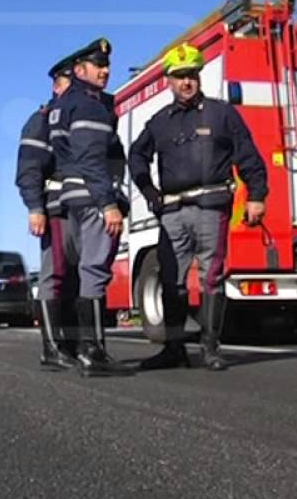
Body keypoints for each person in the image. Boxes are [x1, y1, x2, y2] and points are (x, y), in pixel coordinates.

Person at [129, 43, 268, 372]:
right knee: (172, 280)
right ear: (168, 81)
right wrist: (148, 191)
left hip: (211, 207)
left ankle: (209, 348)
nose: (186, 82)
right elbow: (136, 155)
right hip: (172, 212)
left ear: (199, 76)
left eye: (191, 75)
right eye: (179, 77)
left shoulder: (221, 113)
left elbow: (247, 155)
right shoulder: (159, 122)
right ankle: (173, 348)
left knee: (211, 277)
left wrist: (256, 195)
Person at [47, 37, 134, 377]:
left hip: (73, 197)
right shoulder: (89, 106)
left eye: (107, 66)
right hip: (92, 196)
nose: (106, 71)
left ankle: (87, 347)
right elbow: (90, 158)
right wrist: (108, 203)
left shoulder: (65, 104)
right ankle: (92, 351)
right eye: (99, 66)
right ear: (80, 70)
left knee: (84, 270)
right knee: (95, 271)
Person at [16, 50, 78, 369]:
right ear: (56, 85)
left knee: (82, 278)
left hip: (87, 208)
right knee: (55, 275)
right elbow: (29, 168)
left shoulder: (86, 116)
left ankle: (76, 345)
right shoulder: (41, 120)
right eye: (71, 81)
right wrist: (35, 207)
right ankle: (52, 348)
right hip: (55, 208)